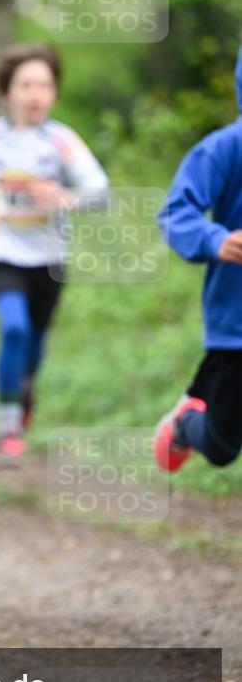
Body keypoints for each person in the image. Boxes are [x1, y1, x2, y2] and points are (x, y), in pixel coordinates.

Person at [0, 43, 109, 462]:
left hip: (51, 259)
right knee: (15, 329)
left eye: (44, 85)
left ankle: (22, 390)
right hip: (4, 254)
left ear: (54, 92)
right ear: (8, 92)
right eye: (26, 85)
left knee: (35, 342)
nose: (36, 94)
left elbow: (100, 191)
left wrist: (63, 196)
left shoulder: (61, 140)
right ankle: (8, 429)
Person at [153, 47, 242, 471]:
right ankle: (186, 423)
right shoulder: (226, 148)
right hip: (236, 325)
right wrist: (216, 240)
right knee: (224, 446)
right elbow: (175, 212)